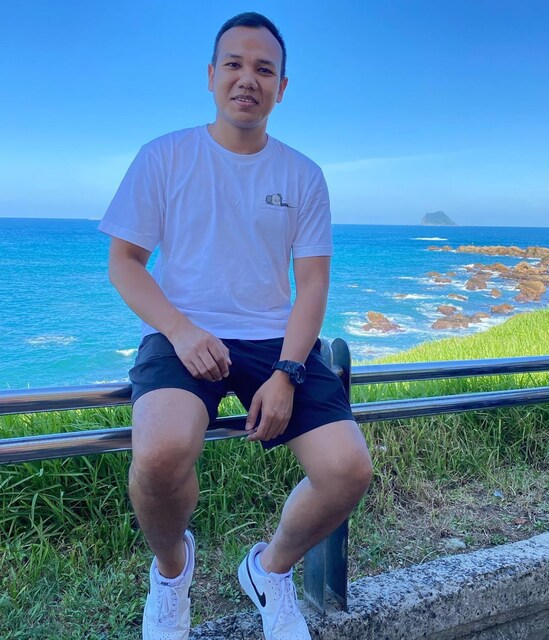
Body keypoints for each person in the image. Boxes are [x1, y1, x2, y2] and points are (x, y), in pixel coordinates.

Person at [99, 11, 373, 640]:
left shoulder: (302, 174)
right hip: (180, 333)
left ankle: (269, 570)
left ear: (282, 87)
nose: (248, 78)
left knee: (346, 469)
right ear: (211, 75)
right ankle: (172, 573)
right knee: (160, 454)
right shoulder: (165, 156)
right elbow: (125, 263)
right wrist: (182, 331)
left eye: (264, 69)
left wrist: (287, 371)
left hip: (276, 342)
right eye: (234, 64)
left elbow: (313, 285)